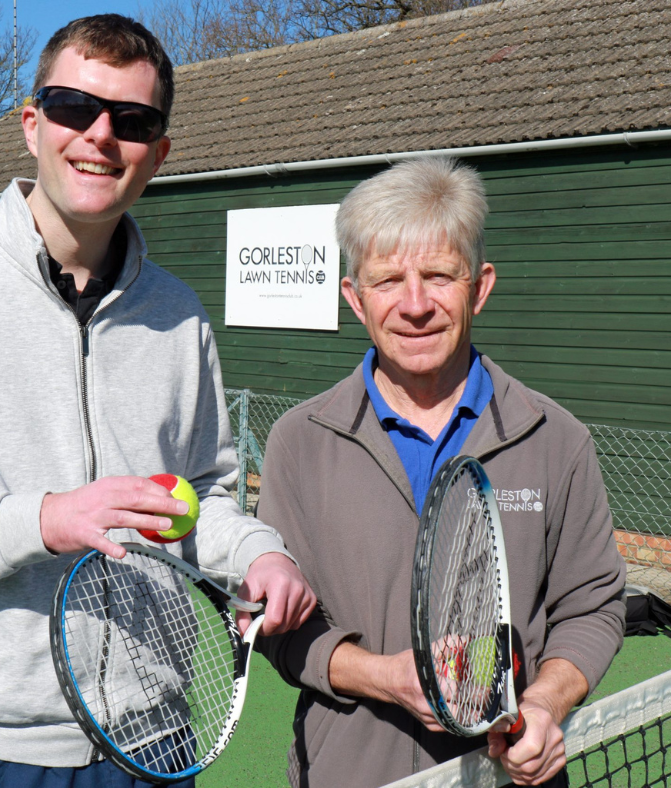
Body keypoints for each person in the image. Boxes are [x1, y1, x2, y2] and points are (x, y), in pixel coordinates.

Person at [0, 14, 315, 788]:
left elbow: (202, 496)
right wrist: (43, 519)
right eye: (74, 107)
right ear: (32, 124)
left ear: (158, 153)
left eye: (133, 120)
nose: (99, 135)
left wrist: (259, 552)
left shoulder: (179, 314)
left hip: (154, 742)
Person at [257, 157, 626, 788]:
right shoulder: (299, 442)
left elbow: (593, 607)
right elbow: (279, 631)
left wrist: (543, 704)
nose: (416, 304)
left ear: (479, 286)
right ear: (354, 298)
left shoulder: (555, 438)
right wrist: (382, 677)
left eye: (438, 276)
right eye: (387, 281)